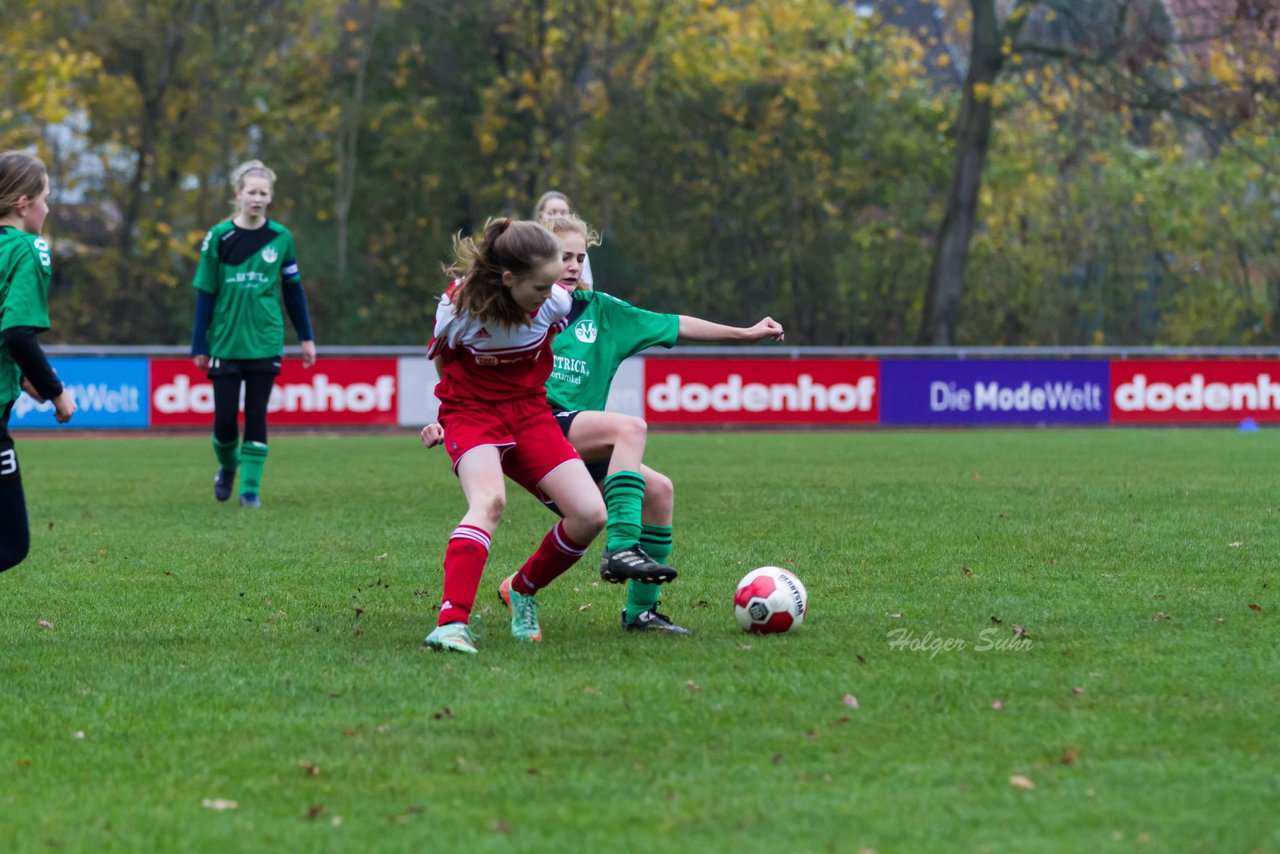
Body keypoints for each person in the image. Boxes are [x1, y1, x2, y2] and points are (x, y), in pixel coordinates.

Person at [540, 213, 784, 634]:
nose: (575, 266)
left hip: (577, 441)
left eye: (580, 257)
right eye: (564, 257)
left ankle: (640, 614)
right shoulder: (525, 313)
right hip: (537, 430)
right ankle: (621, 547)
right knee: (629, 429)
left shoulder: (605, 314)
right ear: (539, 261)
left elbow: (677, 324)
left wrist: (745, 334)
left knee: (660, 491)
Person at [422, 217, 643, 655]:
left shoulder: (556, 303)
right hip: (471, 413)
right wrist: (446, 416)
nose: (553, 294)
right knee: (489, 502)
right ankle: (450, 623)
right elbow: (444, 364)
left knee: (589, 515)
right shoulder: (458, 308)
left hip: (529, 412)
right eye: (541, 286)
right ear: (508, 279)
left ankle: (521, 589)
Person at [190, 160, 316, 509]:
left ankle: (249, 491)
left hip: (265, 339)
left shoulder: (281, 238)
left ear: (270, 196)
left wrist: (306, 337)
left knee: (257, 413)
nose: (257, 198)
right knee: (226, 419)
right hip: (226, 341)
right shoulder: (218, 237)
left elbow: (293, 291)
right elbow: (206, 292)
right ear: (238, 194)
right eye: (251, 191)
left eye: (264, 192)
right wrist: (199, 342)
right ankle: (228, 466)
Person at [0, 151, 76, 572]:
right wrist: (56, 392)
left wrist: (27, 377)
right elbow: (16, 332)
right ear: (24, 202)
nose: (49, 208)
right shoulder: (30, 250)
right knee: (11, 544)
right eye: (46, 198)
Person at [533, 190, 592, 288]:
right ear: (540, 217)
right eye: (552, 212)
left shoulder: (580, 248)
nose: (558, 217)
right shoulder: (527, 247)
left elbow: (588, 287)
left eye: (563, 213)